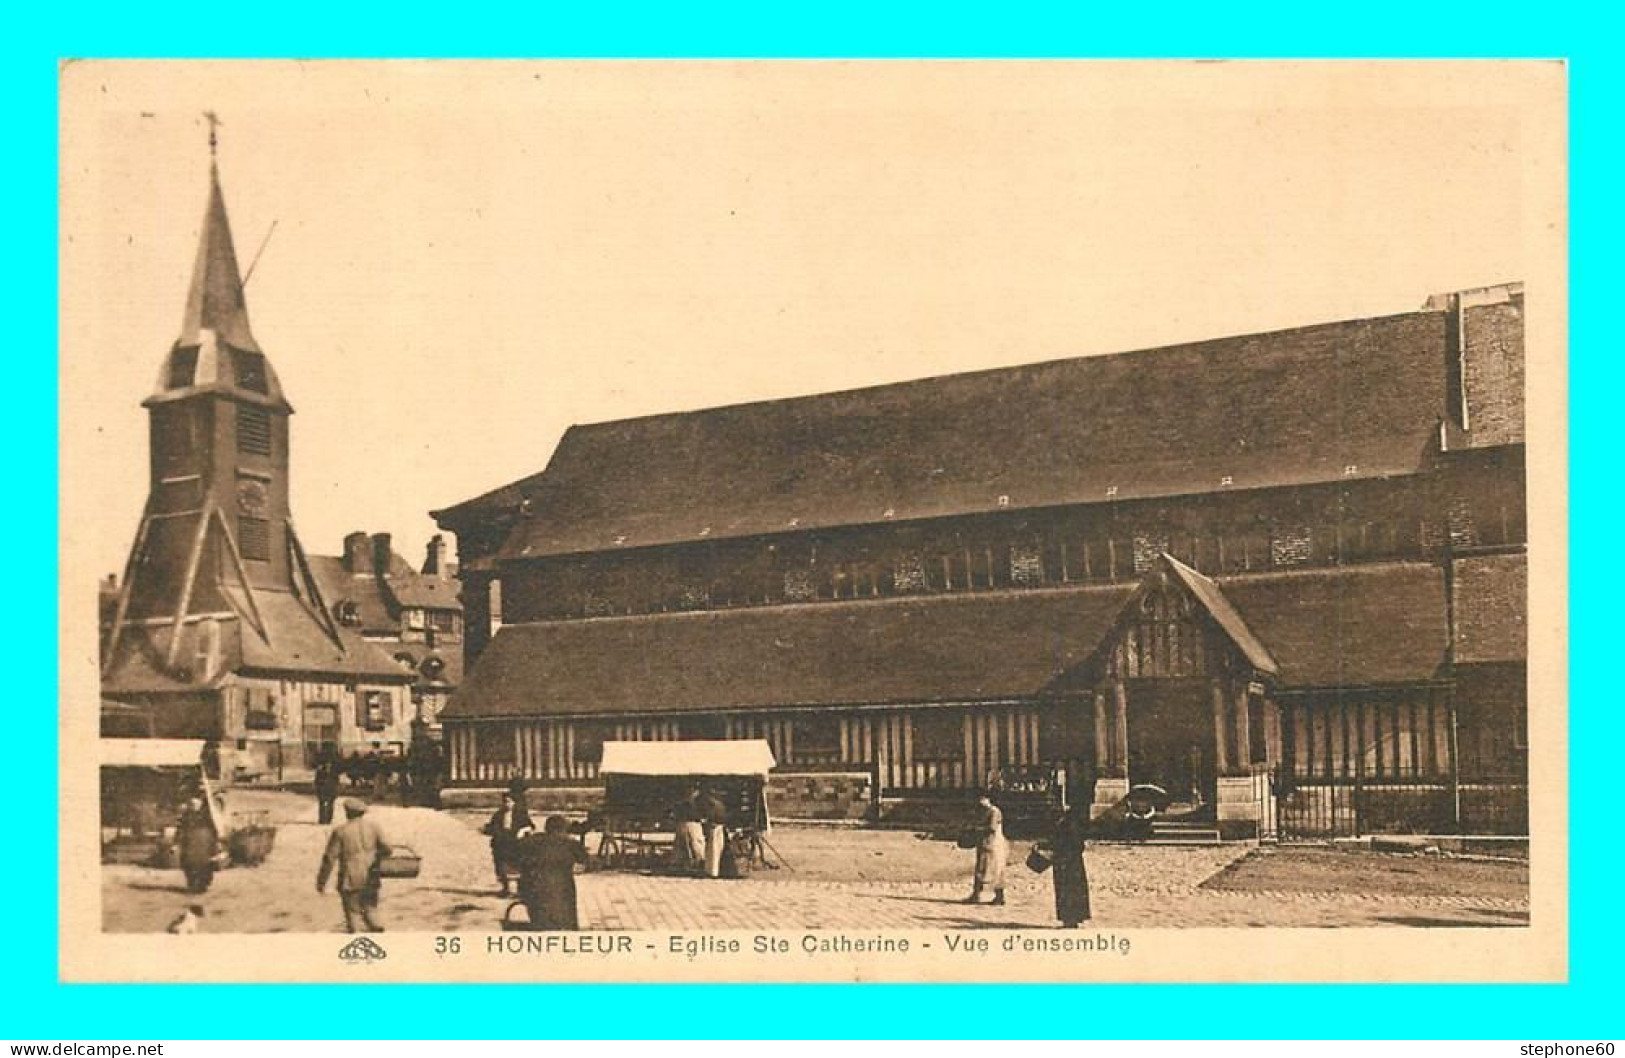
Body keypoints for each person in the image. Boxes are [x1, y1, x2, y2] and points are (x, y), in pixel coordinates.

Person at [316, 799, 391, 933]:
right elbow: (387, 849)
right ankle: (377, 932)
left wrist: (321, 881)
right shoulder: (374, 828)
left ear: (347, 813)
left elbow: (329, 858)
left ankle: (356, 936)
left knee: (353, 913)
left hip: (350, 878)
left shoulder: (341, 832)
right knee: (371, 909)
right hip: (371, 876)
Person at [514, 815, 589, 930]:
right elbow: (585, 861)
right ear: (564, 829)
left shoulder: (535, 840)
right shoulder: (571, 843)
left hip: (535, 891)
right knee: (565, 889)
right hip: (562, 892)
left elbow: (514, 850)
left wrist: (521, 833)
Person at [1047, 803, 1093, 928]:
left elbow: (1074, 844)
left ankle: (1070, 919)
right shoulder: (1068, 825)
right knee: (1074, 890)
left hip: (1068, 863)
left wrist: (1059, 851)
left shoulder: (1068, 826)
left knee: (1068, 890)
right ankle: (1076, 917)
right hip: (1071, 863)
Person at [482, 790, 532, 896]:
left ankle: (521, 889)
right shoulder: (499, 814)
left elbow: (530, 826)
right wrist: (487, 829)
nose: (507, 804)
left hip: (515, 842)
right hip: (501, 843)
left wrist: (522, 831)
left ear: (514, 803)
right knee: (501, 865)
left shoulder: (520, 814)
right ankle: (505, 888)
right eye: (505, 801)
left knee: (518, 865)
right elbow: (492, 826)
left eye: (509, 802)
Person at [964, 791, 1008, 905]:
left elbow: (992, 828)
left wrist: (975, 829)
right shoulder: (983, 811)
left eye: (983, 798)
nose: (980, 801)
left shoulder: (994, 811)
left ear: (988, 799)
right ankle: (976, 894)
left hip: (994, 844)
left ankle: (999, 896)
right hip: (985, 842)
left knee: (995, 870)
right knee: (981, 868)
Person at [175, 791, 219, 894]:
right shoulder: (186, 817)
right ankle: (192, 884)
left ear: (200, 804)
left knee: (205, 865)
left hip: (204, 845)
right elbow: (180, 830)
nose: (194, 806)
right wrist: (176, 842)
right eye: (192, 804)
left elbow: (213, 830)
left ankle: (203, 885)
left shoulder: (207, 816)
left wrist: (215, 843)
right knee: (189, 864)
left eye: (197, 804)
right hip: (190, 844)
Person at [673, 786, 706, 873]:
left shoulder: (681, 804)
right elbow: (697, 816)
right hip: (692, 825)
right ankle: (694, 863)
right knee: (694, 845)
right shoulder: (693, 805)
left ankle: (686, 864)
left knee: (686, 845)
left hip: (683, 825)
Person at [699, 786, 729, 880]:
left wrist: (707, 821)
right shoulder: (719, 805)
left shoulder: (714, 805)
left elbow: (713, 817)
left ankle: (712, 872)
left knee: (713, 851)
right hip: (717, 828)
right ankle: (711, 870)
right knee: (713, 851)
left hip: (715, 828)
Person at [314, 752, 341, 825]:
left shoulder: (334, 771)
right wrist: (317, 789)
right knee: (322, 804)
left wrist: (337, 789)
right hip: (323, 789)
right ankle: (322, 819)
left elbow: (337, 781)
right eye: (327, 763)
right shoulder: (320, 770)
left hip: (331, 789)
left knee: (331, 804)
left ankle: (329, 819)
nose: (328, 764)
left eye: (329, 763)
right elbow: (317, 780)